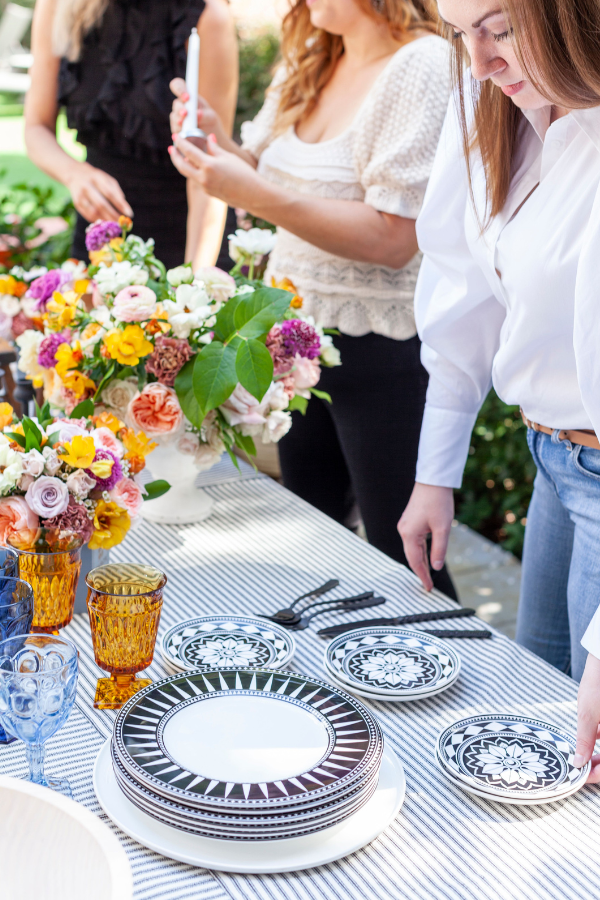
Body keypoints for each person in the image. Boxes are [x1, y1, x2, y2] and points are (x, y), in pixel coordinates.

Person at [169, 0, 456, 596]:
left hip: (382, 354)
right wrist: (217, 141)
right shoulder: (312, 57)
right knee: (316, 540)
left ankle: (465, 681)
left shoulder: (421, 64)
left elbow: (394, 237)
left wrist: (249, 188)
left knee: (409, 560)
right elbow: (266, 181)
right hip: (297, 351)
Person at [397, 0, 600, 779]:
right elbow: (463, 294)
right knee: (541, 725)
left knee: (580, 757)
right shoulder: (493, 102)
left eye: (500, 28)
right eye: (459, 35)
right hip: (555, 462)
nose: (478, 61)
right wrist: (433, 474)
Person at [24, 0, 238, 269]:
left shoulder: (207, 14)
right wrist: (74, 174)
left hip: (193, 244)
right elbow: (36, 128)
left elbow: (210, 168)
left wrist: (193, 287)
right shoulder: (58, 5)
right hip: (102, 245)